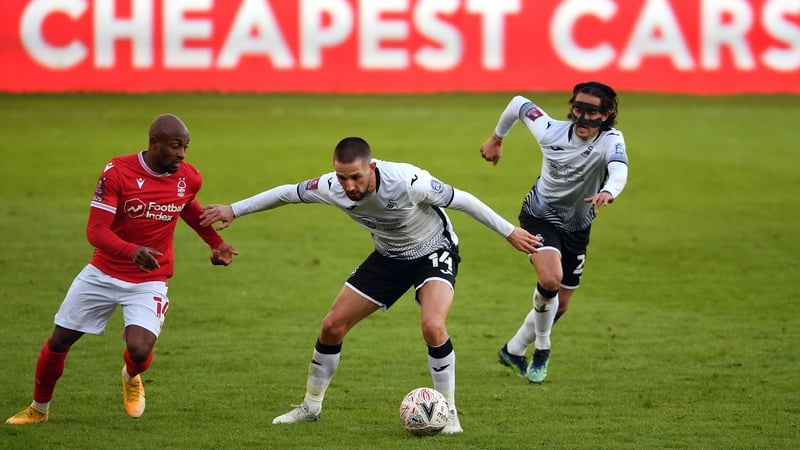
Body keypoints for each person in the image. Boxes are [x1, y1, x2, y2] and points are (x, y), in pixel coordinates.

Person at [198, 136, 541, 434]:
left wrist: (509, 232)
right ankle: (311, 406)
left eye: (355, 177)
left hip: (434, 250)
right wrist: (234, 209)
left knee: (433, 325)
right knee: (332, 326)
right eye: (342, 177)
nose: (348, 186)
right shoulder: (331, 187)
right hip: (389, 256)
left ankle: (449, 412)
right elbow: (288, 193)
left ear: (371, 167)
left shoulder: (409, 182)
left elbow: (463, 200)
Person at [6, 113, 238, 425]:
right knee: (60, 340)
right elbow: (96, 231)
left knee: (140, 349)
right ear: (153, 144)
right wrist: (132, 251)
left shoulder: (189, 178)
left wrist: (215, 242)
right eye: (175, 146)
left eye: (185, 146)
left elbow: (186, 206)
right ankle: (39, 409)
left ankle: (130, 376)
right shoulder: (118, 172)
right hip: (103, 273)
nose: (182, 154)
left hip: (150, 277)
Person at [480, 81, 629, 384]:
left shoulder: (611, 140)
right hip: (539, 216)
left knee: (561, 303)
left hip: (578, 226)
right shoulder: (550, 130)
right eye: (578, 109)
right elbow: (519, 103)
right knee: (550, 279)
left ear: (606, 115)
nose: (583, 118)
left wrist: (609, 191)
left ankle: (514, 349)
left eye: (592, 112)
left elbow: (619, 169)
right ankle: (543, 347)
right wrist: (497, 138)